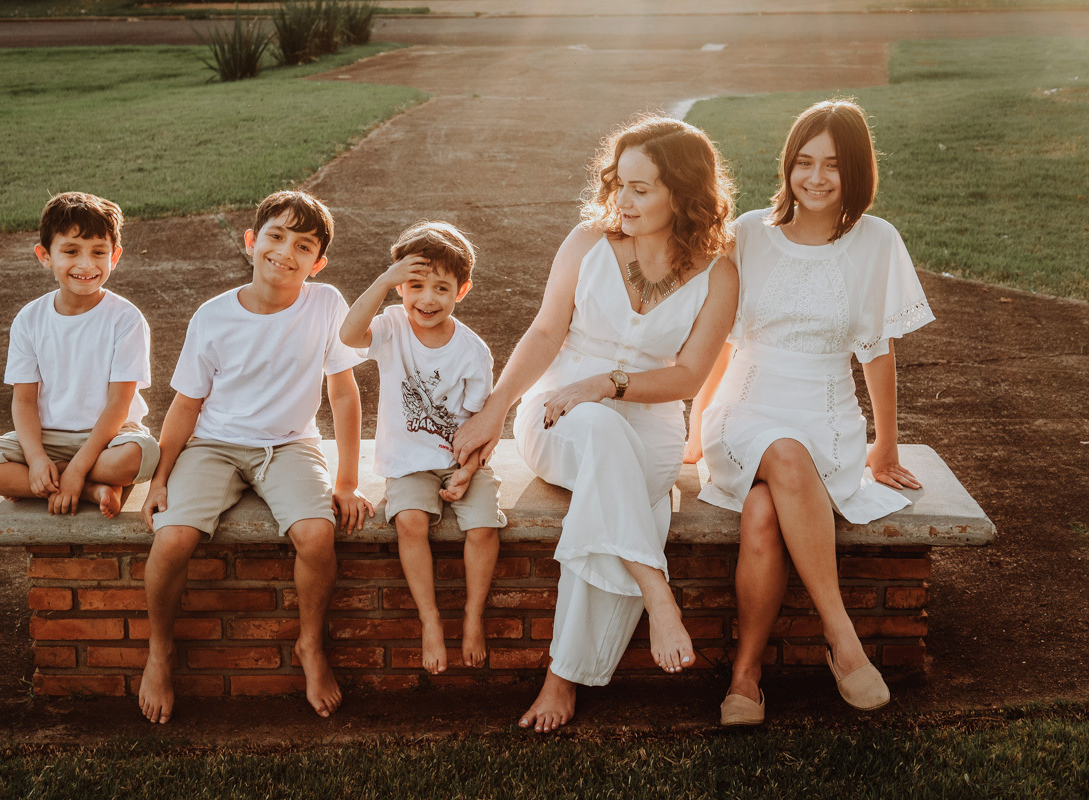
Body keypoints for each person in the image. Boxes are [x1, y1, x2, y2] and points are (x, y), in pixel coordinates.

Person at [453, 116, 738, 732]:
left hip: (652, 431)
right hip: (558, 419)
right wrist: (495, 409)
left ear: (683, 194)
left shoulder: (718, 272)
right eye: (618, 184)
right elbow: (545, 331)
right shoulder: (587, 242)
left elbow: (689, 376)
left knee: (614, 495)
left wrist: (608, 384)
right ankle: (655, 592)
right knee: (612, 453)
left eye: (641, 188)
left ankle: (564, 678)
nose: (621, 200)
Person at [688, 99, 935, 726]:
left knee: (764, 511)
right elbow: (720, 339)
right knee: (783, 453)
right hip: (744, 411)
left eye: (833, 165)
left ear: (856, 171)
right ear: (787, 166)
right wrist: (695, 423)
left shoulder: (877, 241)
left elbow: (877, 352)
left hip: (828, 417)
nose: (816, 178)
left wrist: (885, 445)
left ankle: (746, 675)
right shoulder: (748, 232)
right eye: (804, 162)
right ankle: (841, 637)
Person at [138, 190, 374, 724]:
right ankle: (159, 651)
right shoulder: (213, 316)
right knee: (172, 538)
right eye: (276, 236)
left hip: (290, 444)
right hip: (214, 445)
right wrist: (160, 478)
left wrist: (347, 482)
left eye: (303, 245)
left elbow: (343, 394)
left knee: (316, 534)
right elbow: (186, 404)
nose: (285, 252)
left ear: (318, 263)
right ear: (251, 241)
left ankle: (310, 645)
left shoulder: (327, 304)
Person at [340, 221, 506, 676]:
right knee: (410, 521)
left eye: (441, 288)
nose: (427, 299)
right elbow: (349, 336)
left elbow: (480, 423)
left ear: (462, 291)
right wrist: (382, 281)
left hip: (461, 460)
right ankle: (430, 620)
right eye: (415, 285)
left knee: (483, 528)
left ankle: (472, 616)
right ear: (400, 286)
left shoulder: (473, 351)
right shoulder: (392, 326)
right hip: (408, 462)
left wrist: (468, 471)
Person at [0, 192, 160, 520]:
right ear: (45, 255)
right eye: (71, 251)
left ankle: (55, 480)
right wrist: (35, 459)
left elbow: (119, 403)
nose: (86, 264)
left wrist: (79, 466)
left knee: (138, 456)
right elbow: (24, 401)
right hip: (48, 438)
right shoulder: (29, 319)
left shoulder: (126, 318)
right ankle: (90, 489)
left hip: (111, 437)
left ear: (114, 256)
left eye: (98, 252)